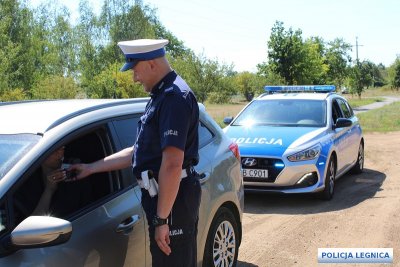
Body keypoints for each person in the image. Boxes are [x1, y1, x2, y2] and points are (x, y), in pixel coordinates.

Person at [70, 39, 201, 267]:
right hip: (164, 201)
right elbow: (138, 152)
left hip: (172, 203)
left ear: (151, 64)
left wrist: (162, 219)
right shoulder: (160, 97)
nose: (134, 77)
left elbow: (172, 164)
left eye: (135, 69)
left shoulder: (174, 98)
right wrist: (91, 168)